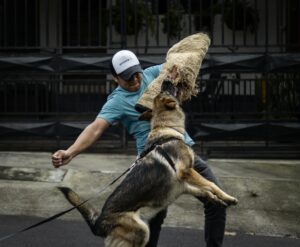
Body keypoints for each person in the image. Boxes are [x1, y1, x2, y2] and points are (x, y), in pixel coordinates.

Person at [52, 50, 226, 247]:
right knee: (155, 217)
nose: (135, 79)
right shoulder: (116, 101)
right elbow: (94, 129)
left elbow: (175, 65)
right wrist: (70, 152)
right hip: (153, 163)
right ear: (116, 78)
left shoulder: (151, 74)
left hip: (182, 152)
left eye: (136, 73)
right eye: (128, 77)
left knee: (217, 201)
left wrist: (182, 65)